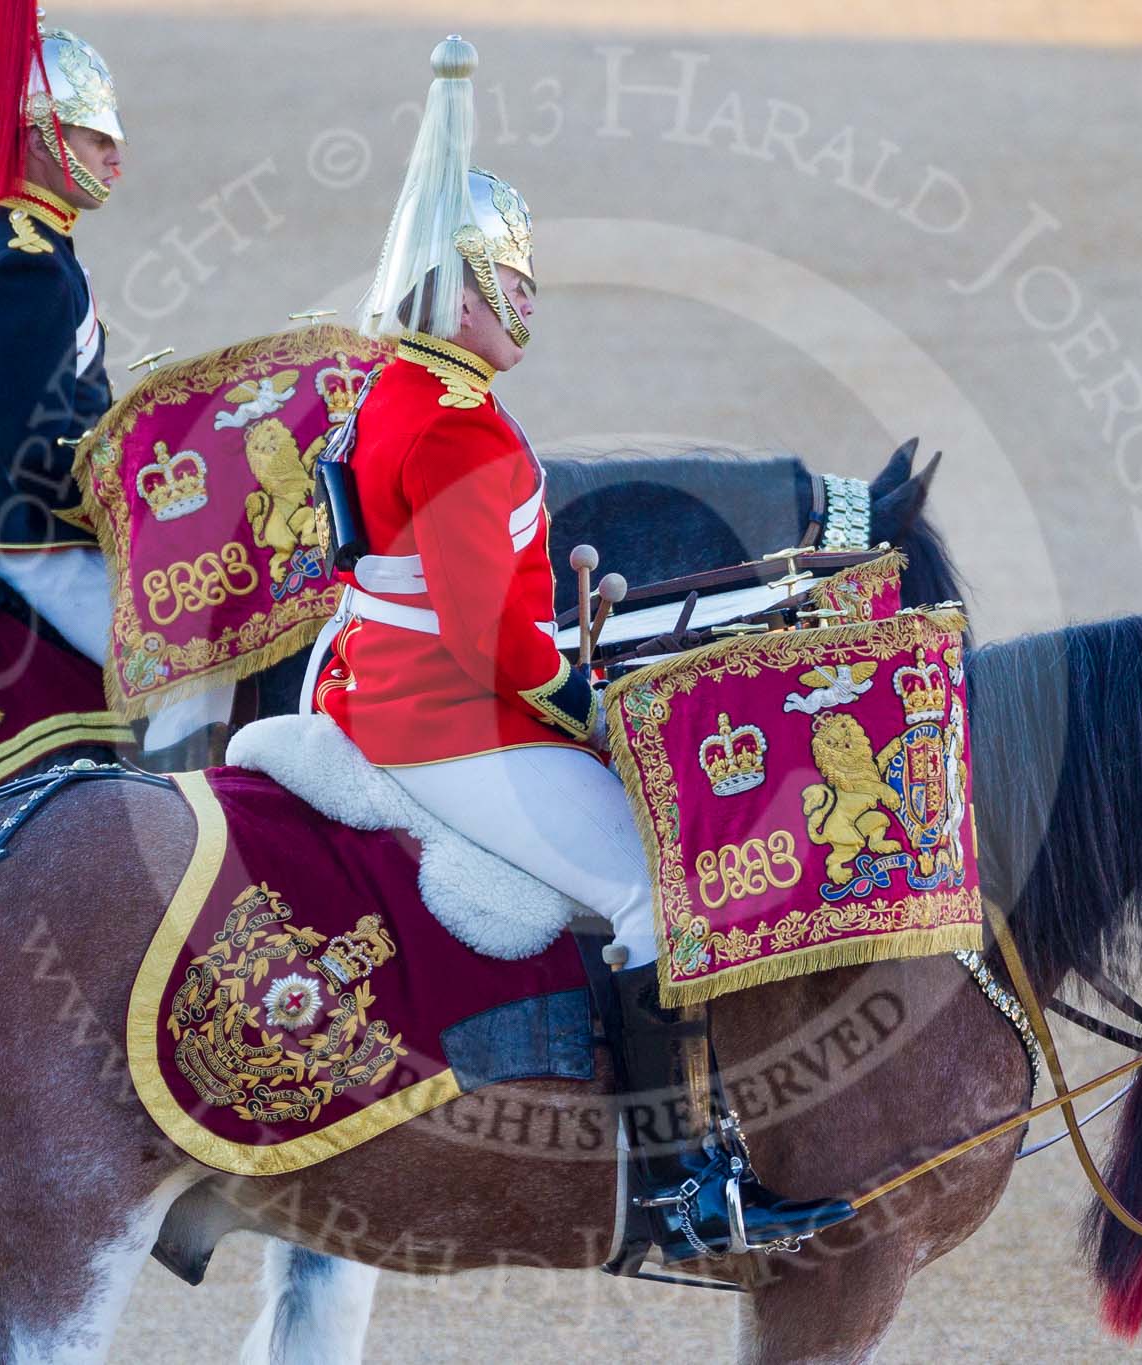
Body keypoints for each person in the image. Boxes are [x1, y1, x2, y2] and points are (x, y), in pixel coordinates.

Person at [309, 35, 854, 1262]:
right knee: (656, 891)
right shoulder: (462, 434)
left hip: (374, 680)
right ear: (466, 289)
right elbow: (488, 645)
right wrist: (590, 697)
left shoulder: (397, 386)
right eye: (514, 278)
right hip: (431, 717)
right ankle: (681, 1190)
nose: (530, 301)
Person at [0, 1, 230, 759]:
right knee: (189, 661)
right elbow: (37, 452)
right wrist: (152, 494)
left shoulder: (6, 237)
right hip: (17, 522)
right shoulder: (27, 263)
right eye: (96, 137)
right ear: (46, 137)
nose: (117, 157)